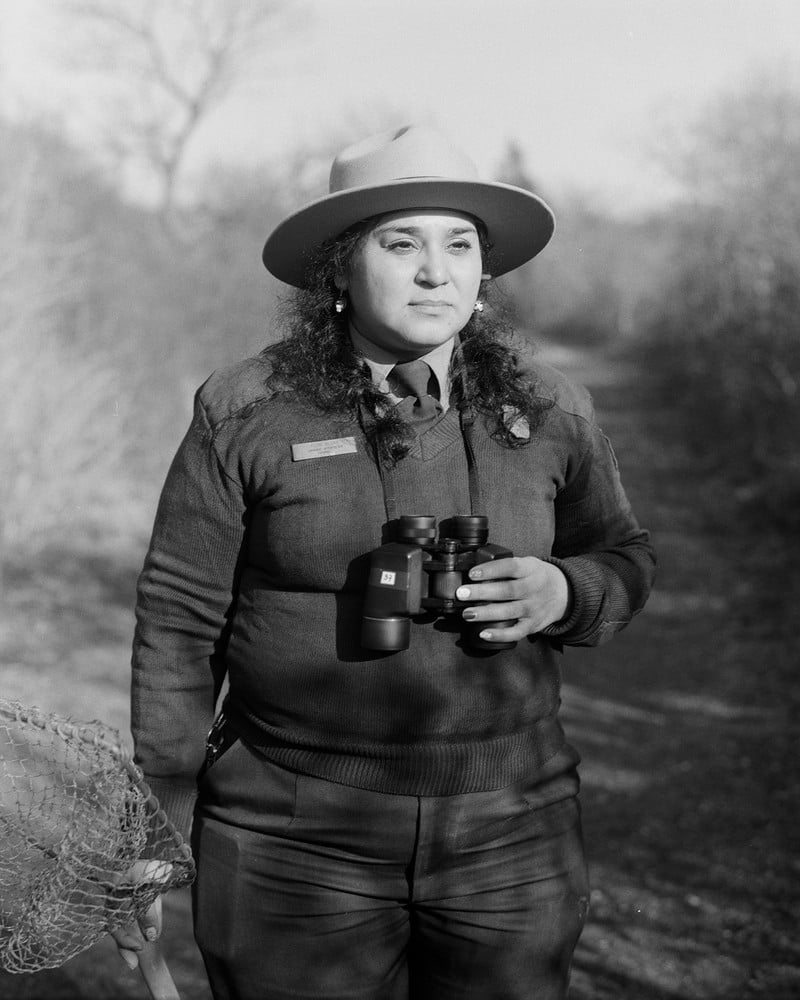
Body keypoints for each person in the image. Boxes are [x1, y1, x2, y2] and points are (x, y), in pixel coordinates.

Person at [114, 124, 656, 999]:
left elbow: (624, 556)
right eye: (401, 244)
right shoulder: (248, 410)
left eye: (460, 246)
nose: (436, 272)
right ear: (339, 268)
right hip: (290, 833)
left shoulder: (551, 409)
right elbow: (179, 616)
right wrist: (157, 816)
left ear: (483, 273)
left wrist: (565, 590)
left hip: (513, 832)